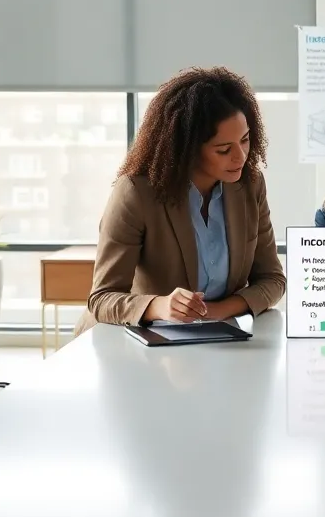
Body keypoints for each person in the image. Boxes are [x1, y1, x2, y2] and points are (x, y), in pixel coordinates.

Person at [77, 67, 285, 333]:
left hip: (217, 337)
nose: (241, 157)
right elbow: (102, 299)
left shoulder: (249, 185)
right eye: (223, 150)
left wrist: (218, 311)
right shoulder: (136, 193)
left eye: (245, 140)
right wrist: (160, 306)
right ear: (186, 149)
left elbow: (272, 279)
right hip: (136, 341)